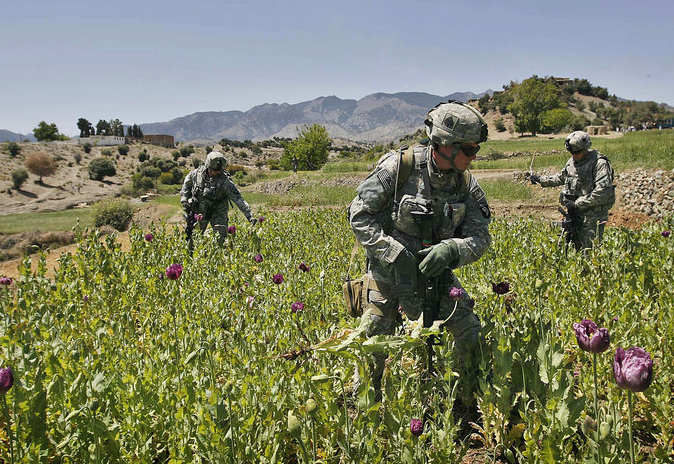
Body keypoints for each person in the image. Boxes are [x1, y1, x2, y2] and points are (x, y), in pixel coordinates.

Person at [348, 101, 491, 403]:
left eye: (476, 149)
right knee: (372, 343)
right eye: (468, 149)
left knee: (469, 330)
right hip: (389, 274)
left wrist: (453, 248)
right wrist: (391, 251)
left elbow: (480, 238)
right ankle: (365, 412)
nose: (473, 156)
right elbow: (359, 214)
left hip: (436, 275)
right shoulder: (399, 168)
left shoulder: (465, 184)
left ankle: (468, 401)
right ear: (444, 144)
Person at [529, 131, 615, 250]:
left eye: (577, 152)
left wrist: (577, 203)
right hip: (574, 214)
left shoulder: (599, 164)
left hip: (592, 216)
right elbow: (561, 177)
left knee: (590, 251)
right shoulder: (571, 163)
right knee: (572, 249)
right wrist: (540, 179)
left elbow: (603, 192)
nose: (575, 156)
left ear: (586, 148)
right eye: (572, 153)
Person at [180, 151, 257, 244]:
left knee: (221, 240)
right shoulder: (196, 175)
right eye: (215, 170)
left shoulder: (225, 181)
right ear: (208, 167)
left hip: (218, 212)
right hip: (200, 212)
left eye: (220, 170)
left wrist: (249, 215)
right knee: (192, 238)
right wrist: (185, 200)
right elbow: (186, 186)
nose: (218, 172)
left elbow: (238, 199)